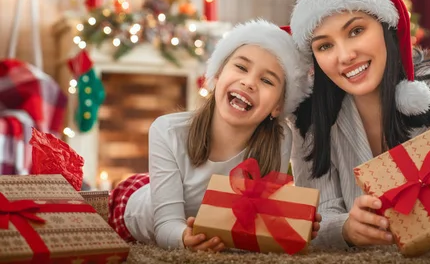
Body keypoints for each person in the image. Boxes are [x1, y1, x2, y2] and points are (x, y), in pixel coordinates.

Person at [288, 0, 430, 251]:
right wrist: (346, 229)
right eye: (324, 46)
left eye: (356, 31)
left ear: (388, 27)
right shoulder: (308, 117)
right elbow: (315, 220)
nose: (345, 56)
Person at [107, 19, 316, 252]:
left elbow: (259, 218)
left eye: (266, 80)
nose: (248, 82)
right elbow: (165, 225)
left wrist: (294, 222)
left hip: (194, 200)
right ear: (217, 76)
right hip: (134, 206)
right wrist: (184, 238)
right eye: (241, 67)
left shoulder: (280, 138)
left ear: (278, 106)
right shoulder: (167, 130)